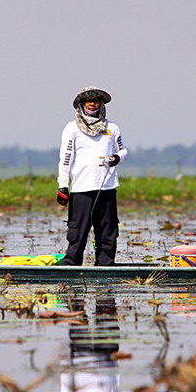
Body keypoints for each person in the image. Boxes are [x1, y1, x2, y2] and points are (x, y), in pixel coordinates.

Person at [56, 86, 128, 266]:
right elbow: (65, 158)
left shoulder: (112, 127)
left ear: (101, 104)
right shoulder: (71, 128)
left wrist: (117, 158)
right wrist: (63, 185)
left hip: (107, 188)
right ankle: (71, 265)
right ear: (81, 104)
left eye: (96, 101)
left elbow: (123, 150)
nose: (92, 104)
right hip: (81, 188)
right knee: (77, 232)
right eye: (88, 101)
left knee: (108, 232)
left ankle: (105, 266)